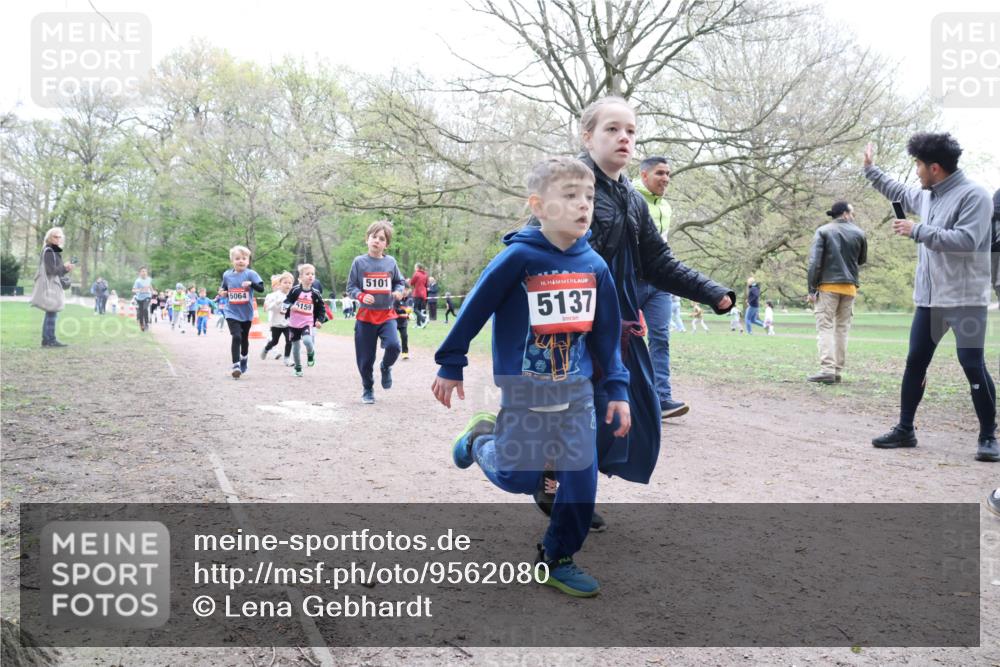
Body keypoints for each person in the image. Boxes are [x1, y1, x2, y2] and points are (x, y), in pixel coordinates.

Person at [530, 97, 734, 530]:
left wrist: (711, 292)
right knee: (578, 414)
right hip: (568, 327)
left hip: (617, 326)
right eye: (612, 129)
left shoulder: (633, 199)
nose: (624, 138)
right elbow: (531, 248)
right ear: (587, 136)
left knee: (624, 416)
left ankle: (570, 487)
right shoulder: (569, 185)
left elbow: (658, 262)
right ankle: (557, 487)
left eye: (631, 131)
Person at [433, 156, 631, 597]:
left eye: (590, 196)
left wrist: (618, 389)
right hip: (525, 390)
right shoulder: (518, 258)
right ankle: (479, 440)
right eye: (570, 196)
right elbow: (474, 310)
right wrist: (451, 362)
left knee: (581, 478)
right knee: (517, 477)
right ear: (538, 206)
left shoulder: (595, 266)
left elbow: (606, 337)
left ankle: (557, 557)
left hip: (577, 391)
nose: (584, 205)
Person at [864, 134, 997, 462]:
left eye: (919, 165)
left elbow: (966, 240)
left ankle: (988, 437)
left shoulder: (975, 196)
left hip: (965, 299)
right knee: (915, 362)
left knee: (972, 366)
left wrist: (917, 231)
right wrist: (871, 171)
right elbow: (898, 191)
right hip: (930, 298)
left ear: (935, 167)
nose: (917, 171)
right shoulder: (927, 195)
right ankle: (905, 429)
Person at [632, 156, 688, 419]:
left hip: (658, 283)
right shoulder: (629, 197)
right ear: (644, 175)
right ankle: (624, 396)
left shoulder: (665, 206)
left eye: (668, 173)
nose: (666, 178)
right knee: (624, 340)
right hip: (629, 280)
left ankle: (662, 398)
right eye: (660, 173)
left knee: (660, 338)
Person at [806, 200, 868, 384]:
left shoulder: (823, 231)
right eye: (852, 213)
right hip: (850, 288)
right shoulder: (859, 233)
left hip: (827, 286)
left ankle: (827, 369)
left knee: (825, 327)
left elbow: (814, 263)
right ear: (845, 213)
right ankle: (837, 370)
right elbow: (862, 260)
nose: (853, 216)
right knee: (842, 329)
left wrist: (812, 289)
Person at [347, 221, 405, 404]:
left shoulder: (391, 262)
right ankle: (368, 388)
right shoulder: (359, 262)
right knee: (365, 359)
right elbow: (351, 287)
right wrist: (361, 296)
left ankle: (386, 367)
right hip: (365, 317)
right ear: (367, 239)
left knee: (394, 346)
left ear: (386, 244)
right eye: (374, 237)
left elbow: (399, 282)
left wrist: (398, 291)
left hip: (386, 314)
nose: (377, 241)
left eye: (381, 239)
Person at [218, 245, 265, 379]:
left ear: (248, 261)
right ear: (232, 260)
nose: (241, 261)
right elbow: (223, 288)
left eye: (244, 258)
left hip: (246, 313)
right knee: (236, 336)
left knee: (244, 339)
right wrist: (222, 293)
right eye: (237, 258)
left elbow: (261, 288)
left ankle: (244, 357)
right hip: (231, 311)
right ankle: (236, 365)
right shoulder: (227, 274)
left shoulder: (251, 274)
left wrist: (251, 284)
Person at [29, 227, 73, 347]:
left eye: (59, 237)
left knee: (51, 312)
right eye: (55, 236)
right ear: (49, 237)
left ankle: (48, 339)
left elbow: (57, 272)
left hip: (53, 284)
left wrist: (66, 269)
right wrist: (64, 267)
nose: (58, 239)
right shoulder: (49, 251)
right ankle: (50, 340)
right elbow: (51, 270)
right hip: (51, 285)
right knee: (52, 311)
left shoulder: (54, 250)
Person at [282, 264, 327, 377]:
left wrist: (319, 321)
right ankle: (298, 367)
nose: (310, 276)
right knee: (296, 347)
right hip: (293, 323)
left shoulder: (315, 293)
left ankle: (311, 353)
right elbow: (286, 302)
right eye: (307, 274)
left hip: (307, 322)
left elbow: (321, 308)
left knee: (307, 341)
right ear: (301, 277)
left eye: (312, 274)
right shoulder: (295, 290)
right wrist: (290, 306)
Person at [261, 272, 294, 365]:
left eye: (290, 283)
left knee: (289, 340)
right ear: (280, 284)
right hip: (276, 323)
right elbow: (267, 308)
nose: (288, 285)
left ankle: (287, 359)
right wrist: (278, 302)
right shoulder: (273, 295)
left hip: (288, 323)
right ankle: (266, 348)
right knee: (274, 341)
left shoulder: (293, 296)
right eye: (285, 282)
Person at [409, 263, 429, 328]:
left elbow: (411, 282)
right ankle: (418, 324)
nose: (415, 269)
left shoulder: (416, 274)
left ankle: (423, 319)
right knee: (419, 309)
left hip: (417, 293)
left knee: (415, 309)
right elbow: (426, 285)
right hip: (423, 294)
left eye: (415, 267)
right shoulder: (425, 274)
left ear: (417, 267)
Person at [395, 287, 411, 360]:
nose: (406, 292)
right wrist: (405, 312)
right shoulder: (395, 300)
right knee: (393, 339)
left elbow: (408, 310)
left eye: (407, 290)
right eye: (405, 290)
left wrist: (408, 315)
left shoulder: (407, 300)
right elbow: (395, 310)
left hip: (403, 322)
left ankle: (405, 353)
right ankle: (392, 352)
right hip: (394, 322)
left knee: (404, 337)